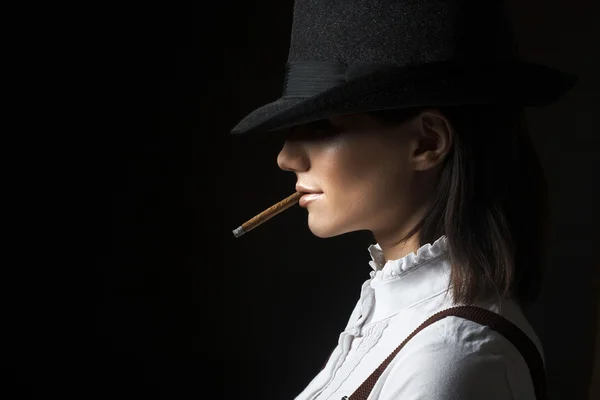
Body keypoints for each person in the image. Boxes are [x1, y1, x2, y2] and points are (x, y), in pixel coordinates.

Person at [230, 0, 577, 399]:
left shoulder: (449, 358)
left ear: (427, 142)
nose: (286, 157)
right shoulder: (396, 315)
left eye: (320, 126)